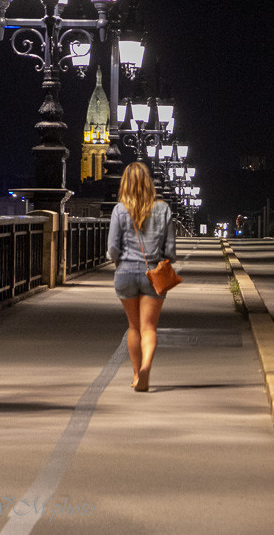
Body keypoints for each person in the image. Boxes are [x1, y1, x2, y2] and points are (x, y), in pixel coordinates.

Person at [107, 162, 177, 392]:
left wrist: (119, 263)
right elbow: (170, 250)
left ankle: (137, 375)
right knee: (149, 327)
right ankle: (147, 365)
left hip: (125, 272)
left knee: (133, 327)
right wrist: (163, 261)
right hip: (153, 274)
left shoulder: (119, 210)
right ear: (149, 183)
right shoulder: (163, 209)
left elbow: (112, 248)